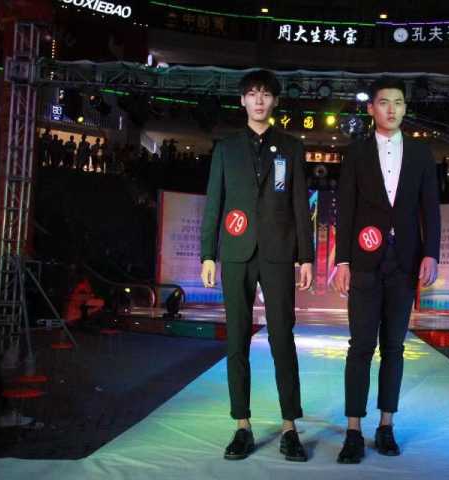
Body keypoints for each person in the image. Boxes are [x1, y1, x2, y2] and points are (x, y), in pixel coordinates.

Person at [200, 70, 314, 462]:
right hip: (236, 253)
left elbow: (300, 205)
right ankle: (242, 425)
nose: (259, 100)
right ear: (242, 101)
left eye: (266, 94)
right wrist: (208, 254)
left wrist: (306, 257)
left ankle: (289, 427)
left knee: (283, 339)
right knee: (236, 340)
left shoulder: (291, 147)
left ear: (275, 101)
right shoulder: (226, 148)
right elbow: (214, 204)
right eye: (252, 94)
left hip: (279, 253)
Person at [333, 77, 441, 464]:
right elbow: (346, 209)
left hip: (405, 262)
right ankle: (353, 431)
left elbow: (430, 207)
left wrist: (432, 253)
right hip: (364, 262)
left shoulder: (421, 153)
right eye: (384, 102)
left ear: (405, 108)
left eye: (398, 102)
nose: (391, 109)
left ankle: (386, 425)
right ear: (371, 108)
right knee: (360, 347)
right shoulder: (356, 152)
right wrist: (342, 261)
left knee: (394, 347)